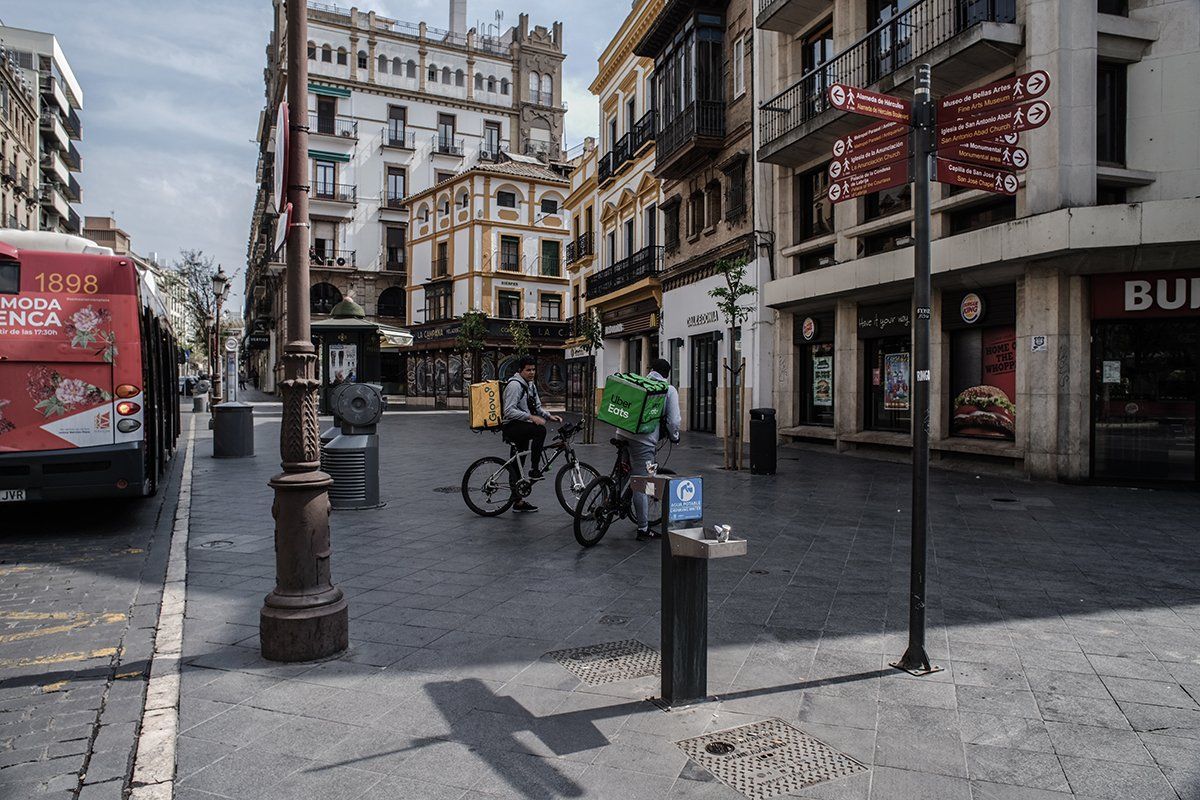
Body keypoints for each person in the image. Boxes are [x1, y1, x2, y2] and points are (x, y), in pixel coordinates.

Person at [617, 358, 681, 541]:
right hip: (643, 441)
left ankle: (611, 500)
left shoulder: (638, 383)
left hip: (621, 432)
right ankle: (643, 528)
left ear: (651, 370)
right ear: (668, 374)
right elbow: (674, 421)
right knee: (642, 483)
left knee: (622, 472)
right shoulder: (668, 389)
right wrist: (675, 437)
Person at [501, 355, 561, 513]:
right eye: (528, 370)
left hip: (522, 426)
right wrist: (531, 417)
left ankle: (518, 501)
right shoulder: (515, 386)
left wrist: (549, 416)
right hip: (512, 426)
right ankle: (535, 469)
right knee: (540, 431)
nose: (531, 372)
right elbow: (508, 411)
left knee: (518, 463)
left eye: (534, 369)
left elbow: (537, 406)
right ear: (520, 370)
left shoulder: (530, 385)